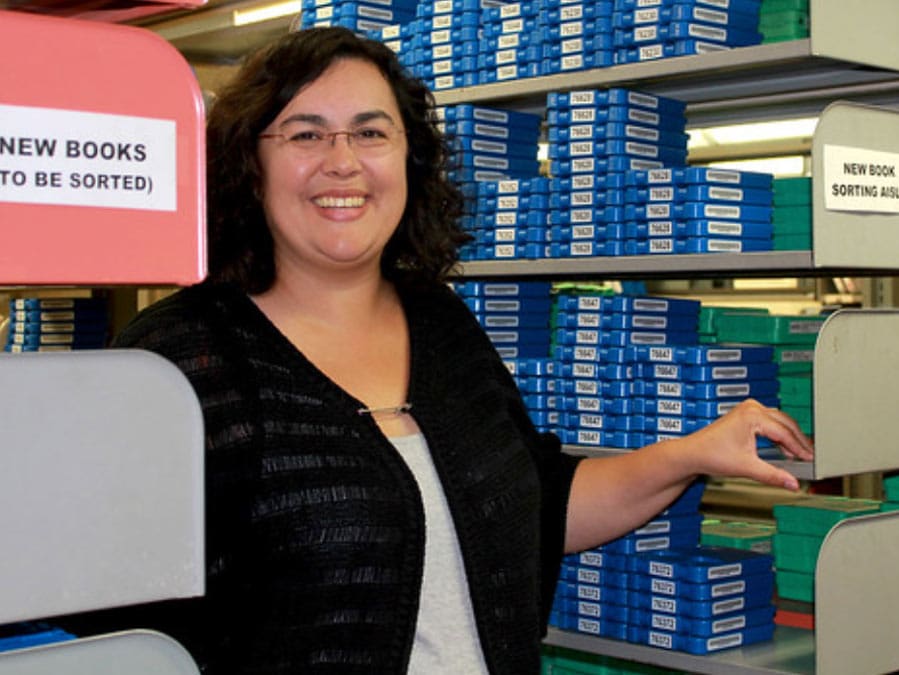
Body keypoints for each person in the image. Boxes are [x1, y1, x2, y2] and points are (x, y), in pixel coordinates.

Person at [85, 25, 813, 675]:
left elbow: (538, 505)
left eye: (371, 133)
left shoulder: (441, 322)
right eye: (305, 133)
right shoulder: (180, 356)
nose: (343, 161)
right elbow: (112, 612)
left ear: (409, 160)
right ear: (248, 162)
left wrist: (690, 453)